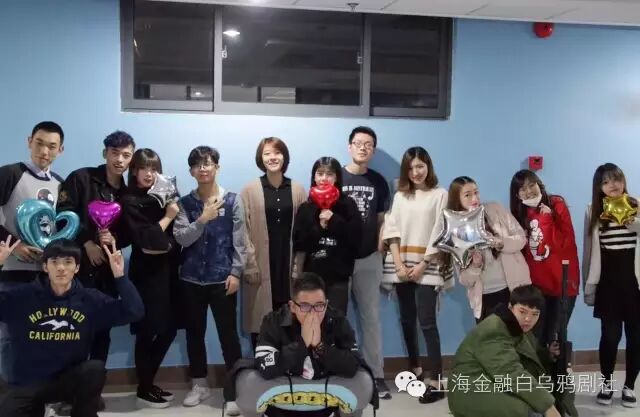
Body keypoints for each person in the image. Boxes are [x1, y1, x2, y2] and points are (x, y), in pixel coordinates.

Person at [0, 238, 143, 417]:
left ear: (76, 268)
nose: (61, 268)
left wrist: (120, 277)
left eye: (68, 262)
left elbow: (134, 311)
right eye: (54, 262)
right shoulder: (23, 297)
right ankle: (37, 409)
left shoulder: (90, 300)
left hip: (67, 380)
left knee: (94, 369)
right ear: (45, 267)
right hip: (28, 382)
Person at [56, 131, 135, 384]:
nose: (120, 160)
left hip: (108, 274)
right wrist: (86, 242)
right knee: (71, 330)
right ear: (105, 153)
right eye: (115, 153)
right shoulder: (81, 178)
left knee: (102, 331)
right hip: (76, 271)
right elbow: (62, 214)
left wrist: (115, 239)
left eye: (126, 155)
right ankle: (68, 389)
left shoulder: (128, 194)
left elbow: (130, 232)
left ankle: (92, 389)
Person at [173, 146, 246, 414]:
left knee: (229, 336)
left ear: (217, 167)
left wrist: (236, 272)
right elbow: (181, 238)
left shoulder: (233, 200)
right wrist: (202, 219)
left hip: (222, 279)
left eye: (208, 163)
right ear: (191, 171)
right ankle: (199, 384)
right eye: (197, 165)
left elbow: (240, 241)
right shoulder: (184, 203)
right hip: (191, 279)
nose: (203, 168)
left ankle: (234, 389)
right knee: (194, 334)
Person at [381, 147, 450, 403]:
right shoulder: (400, 196)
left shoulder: (440, 194)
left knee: (427, 323)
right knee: (407, 320)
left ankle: (436, 381)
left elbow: (440, 230)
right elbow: (392, 229)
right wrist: (399, 263)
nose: (416, 172)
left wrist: (423, 263)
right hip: (402, 265)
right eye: (411, 168)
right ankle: (416, 369)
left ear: (428, 166)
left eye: (420, 166)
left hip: (427, 266)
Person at [0, 121, 65, 386]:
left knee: (44, 335)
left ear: (60, 150)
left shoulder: (61, 184)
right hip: (12, 272)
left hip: (47, 276)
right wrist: (14, 244)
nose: (44, 151)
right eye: (39, 143)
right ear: (29, 142)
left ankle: (41, 396)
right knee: (10, 337)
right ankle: (12, 398)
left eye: (52, 146)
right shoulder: (10, 174)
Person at [447, 285, 576, 417]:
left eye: (535, 314)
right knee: (531, 412)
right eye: (523, 312)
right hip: (471, 391)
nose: (528, 319)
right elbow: (510, 372)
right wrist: (548, 407)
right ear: (510, 307)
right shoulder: (493, 330)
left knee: (558, 387)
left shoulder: (518, 327)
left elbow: (528, 356)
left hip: (493, 381)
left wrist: (547, 354)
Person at [254, 272, 363, 417]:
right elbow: (264, 367)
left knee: (362, 380)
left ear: (326, 304)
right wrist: (301, 345)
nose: (313, 313)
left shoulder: (337, 320)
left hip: (324, 405)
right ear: (292, 306)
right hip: (280, 407)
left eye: (319, 306)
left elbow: (353, 365)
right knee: (249, 380)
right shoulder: (273, 321)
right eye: (305, 306)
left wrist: (320, 347)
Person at [121, 148, 180, 408]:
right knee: (147, 331)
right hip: (146, 274)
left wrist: (165, 239)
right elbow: (148, 242)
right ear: (134, 170)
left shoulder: (163, 195)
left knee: (169, 328)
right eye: (144, 168)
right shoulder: (130, 200)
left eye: (154, 168)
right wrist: (168, 217)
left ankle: (148, 382)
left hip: (169, 271)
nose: (149, 173)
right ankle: (143, 388)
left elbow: (173, 238)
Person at [583, 163, 640, 408]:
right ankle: (606, 384)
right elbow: (589, 252)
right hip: (608, 283)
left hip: (635, 283)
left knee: (635, 338)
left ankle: (629, 386)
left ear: (623, 181)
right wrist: (589, 285)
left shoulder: (637, 205)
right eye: (605, 182)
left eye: (616, 179)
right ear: (599, 188)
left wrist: (630, 220)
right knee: (610, 336)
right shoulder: (593, 211)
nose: (612, 185)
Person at [340, 126, 391, 398]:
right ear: (349, 146)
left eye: (368, 144)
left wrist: (380, 246)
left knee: (371, 318)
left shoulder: (379, 182)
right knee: (336, 317)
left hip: (370, 257)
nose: (362, 147)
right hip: (339, 259)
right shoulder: (336, 176)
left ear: (373, 150)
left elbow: (383, 219)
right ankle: (338, 372)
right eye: (358, 143)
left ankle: (377, 375)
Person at [241, 137, 306, 349]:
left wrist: (298, 265)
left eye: (277, 153)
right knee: (260, 320)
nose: (272, 157)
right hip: (260, 263)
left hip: (287, 262)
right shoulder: (250, 189)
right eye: (267, 153)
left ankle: (287, 361)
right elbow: (242, 230)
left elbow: (304, 231)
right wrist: (249, 264)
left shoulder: (297, 189)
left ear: (284, 157)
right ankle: (263, 361)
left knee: (289, 316)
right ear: (261, 158)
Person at [510, 169, 579, 348]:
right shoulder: (519, 214)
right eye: (522, 189)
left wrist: (546, 220)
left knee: (556, 337)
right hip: (536, 286)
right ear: (517, 195)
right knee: (535, 337)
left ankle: (558, 367)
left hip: (562, 282)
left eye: (531, 185)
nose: (529, 191)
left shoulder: (556, 204)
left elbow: (565, 243)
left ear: (539, 184)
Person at [448, 176, 531, 322]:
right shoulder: (457, 231)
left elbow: (521, 238)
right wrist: (475, 266)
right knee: (490, 336)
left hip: (514, 290)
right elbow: (465, 280)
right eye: (467, 195)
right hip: (485, 298)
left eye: (476, 192)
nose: (474, 198)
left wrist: (501, 243)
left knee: (518, 334)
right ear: (457, 199)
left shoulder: (495, 208)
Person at [293, 157, 361, 316]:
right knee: (311, 322)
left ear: (337, 177)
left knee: (335, 322)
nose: (324, 178)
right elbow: (299, 243)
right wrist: (319, 227)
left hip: (338, 278)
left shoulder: (348, 204)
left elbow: (356, 239)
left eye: (329, 174)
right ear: (314, 177)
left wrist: (334, 220)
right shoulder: (306, 207)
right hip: (311, 278)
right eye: (320, 174)